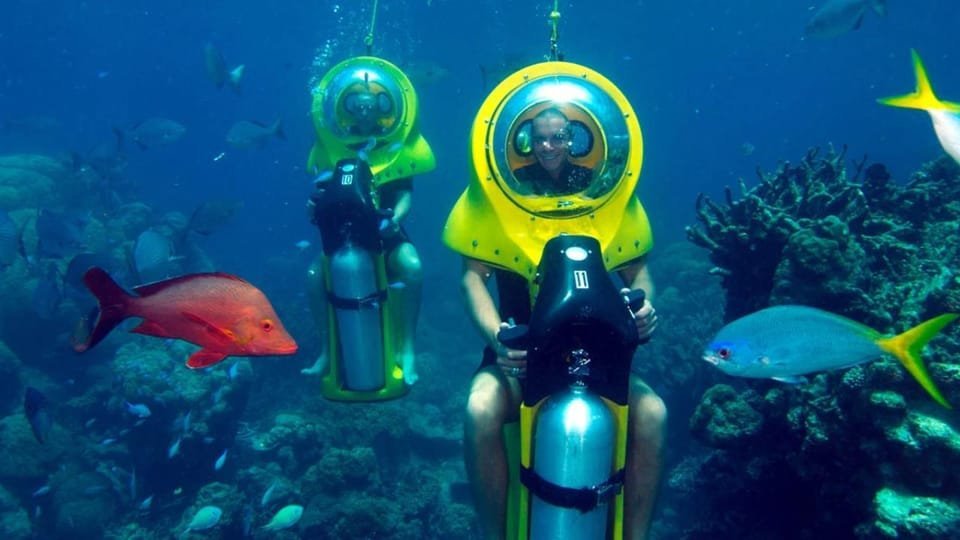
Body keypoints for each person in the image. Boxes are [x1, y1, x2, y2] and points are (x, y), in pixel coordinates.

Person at [302, 57, 435, 388]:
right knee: (314, 277)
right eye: (357, 106)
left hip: (384, 232)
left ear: (381, 107)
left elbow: (404, 193)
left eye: (370, 106)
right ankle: (327, 352)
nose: (364, 112)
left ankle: (408, 350)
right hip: (342, 238)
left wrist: (394, 219)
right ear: (347, 107)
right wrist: (312, 207)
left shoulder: (394, 146)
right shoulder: (333, 146)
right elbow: (319, 195)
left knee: (413, 267)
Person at [512, 107, 593, 196]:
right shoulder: (518, 178)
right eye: (539, 139)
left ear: (570, 140)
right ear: (532, 142)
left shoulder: (588, 178)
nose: (548, 147)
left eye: (558, 138)